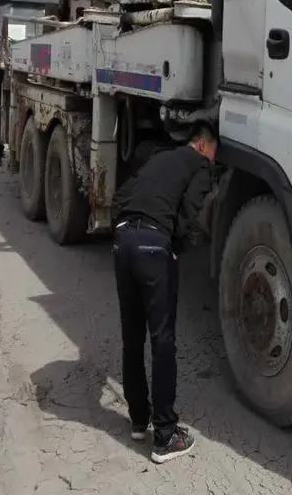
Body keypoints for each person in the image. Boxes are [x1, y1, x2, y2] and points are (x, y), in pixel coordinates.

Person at [110, 122, 218, 464]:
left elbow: (120, 196)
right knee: (162, 341)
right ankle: (166, 436)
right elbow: (189, 212)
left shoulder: (158, 158)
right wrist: (173, 247)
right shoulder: (200, 165)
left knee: (132, 338)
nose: (214, 160)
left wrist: (122, 234)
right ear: (203, 145)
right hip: (153, 246)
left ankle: (139, 420)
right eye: (214, 153)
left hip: (123, 241)